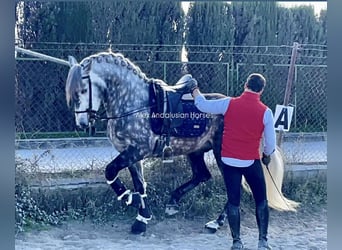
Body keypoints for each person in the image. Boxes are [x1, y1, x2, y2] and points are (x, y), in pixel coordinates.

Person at [191, 73, 276, 250]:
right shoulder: (266, 112)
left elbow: (202, 105)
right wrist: (267, 155)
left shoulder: (228, 103)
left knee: (233, 202)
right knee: (261, 201)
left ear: (245, 85)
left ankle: (237, 242)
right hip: (251, 161)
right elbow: (270, 144)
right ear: (262, 90)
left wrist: (194, 90)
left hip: (229, 161)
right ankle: (263, 241)